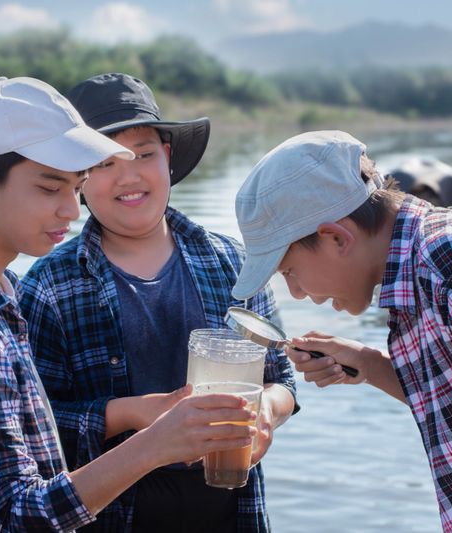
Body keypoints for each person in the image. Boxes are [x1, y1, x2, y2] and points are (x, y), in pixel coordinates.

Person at [0, 76, 259, 532]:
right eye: (50, 188)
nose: (71, 211)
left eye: (75, 188)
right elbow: (12, 519)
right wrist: (153, 445)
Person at [231, 130, 452, 532]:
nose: (297, 292)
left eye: (290, 272)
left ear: (336, 238)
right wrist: (368, 364)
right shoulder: (417, 271)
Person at [19, 73, 298, 533]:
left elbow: (281, 377)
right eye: (106, 162)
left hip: (232, 508)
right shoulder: (49, 286)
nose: (129, 176)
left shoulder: (231, 262)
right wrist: (133, 413)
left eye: (144, 155)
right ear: (79, 178)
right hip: (113, 514)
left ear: (167, 158)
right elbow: (35, 426)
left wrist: (269, 408)